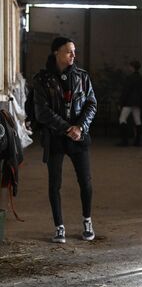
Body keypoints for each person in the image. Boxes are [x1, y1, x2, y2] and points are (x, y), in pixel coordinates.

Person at [33, 37, 97, 243]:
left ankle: (87, 221)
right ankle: (59, 227)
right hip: (55, 137)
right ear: (56, 53)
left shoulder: (82, 77)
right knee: (55, 184)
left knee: (86, 182)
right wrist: (67, 127)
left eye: (74, 51)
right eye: (69, 51)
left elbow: (91, 104)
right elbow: (42, 112)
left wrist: (81, 127)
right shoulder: (42, 79)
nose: (73, 55)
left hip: (79, 136)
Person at [117, 60, 142, 146]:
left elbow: (125, 92)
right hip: (138, 103)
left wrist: (121, 103)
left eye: (130, 66)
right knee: (138, 121)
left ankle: (124, 141)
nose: (129, 68)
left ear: (132, 67)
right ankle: (137, 142)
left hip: (128, 103)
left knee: (122, 119)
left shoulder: (129, 78)